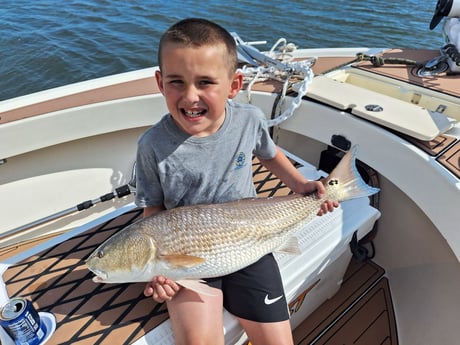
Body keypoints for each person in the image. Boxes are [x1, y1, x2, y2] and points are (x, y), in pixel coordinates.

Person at [135, 18, 338, 345]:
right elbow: (152, 212)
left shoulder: (249, 120)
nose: (190, 97)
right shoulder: (151, 145)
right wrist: (158, 269)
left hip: (251, 239)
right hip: (186, 253)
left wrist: (302, 185)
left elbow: (270, 154)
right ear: (159, 82)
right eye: (176, 81)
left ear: (233, 85)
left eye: (205, 82)